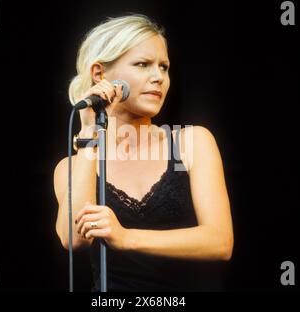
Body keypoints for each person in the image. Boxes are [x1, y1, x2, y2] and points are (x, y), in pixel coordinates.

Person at [54, 14, 233, 291]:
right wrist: (89, 130)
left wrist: (126, 237)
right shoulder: (72, 165)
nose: (158, 77)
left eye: (164, 67)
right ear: (100, 74)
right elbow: (74, 239)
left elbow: (219, 241)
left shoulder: (190, 142)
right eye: (143, 65)